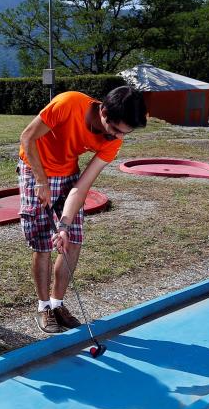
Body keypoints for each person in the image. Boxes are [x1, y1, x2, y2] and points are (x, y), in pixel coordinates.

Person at [18, 86, 147, 333]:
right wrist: (41, 180)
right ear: (104, 112)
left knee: (72, 240)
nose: (118, 138)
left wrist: (64, 226)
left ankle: (57, 304)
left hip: (68, 173)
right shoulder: (68, 104)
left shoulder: (113, 141)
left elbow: (82, 187)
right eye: (115, 130)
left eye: (124, 134)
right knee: (43, 242)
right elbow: (27, 137)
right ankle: (43, 306)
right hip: (35, 167)